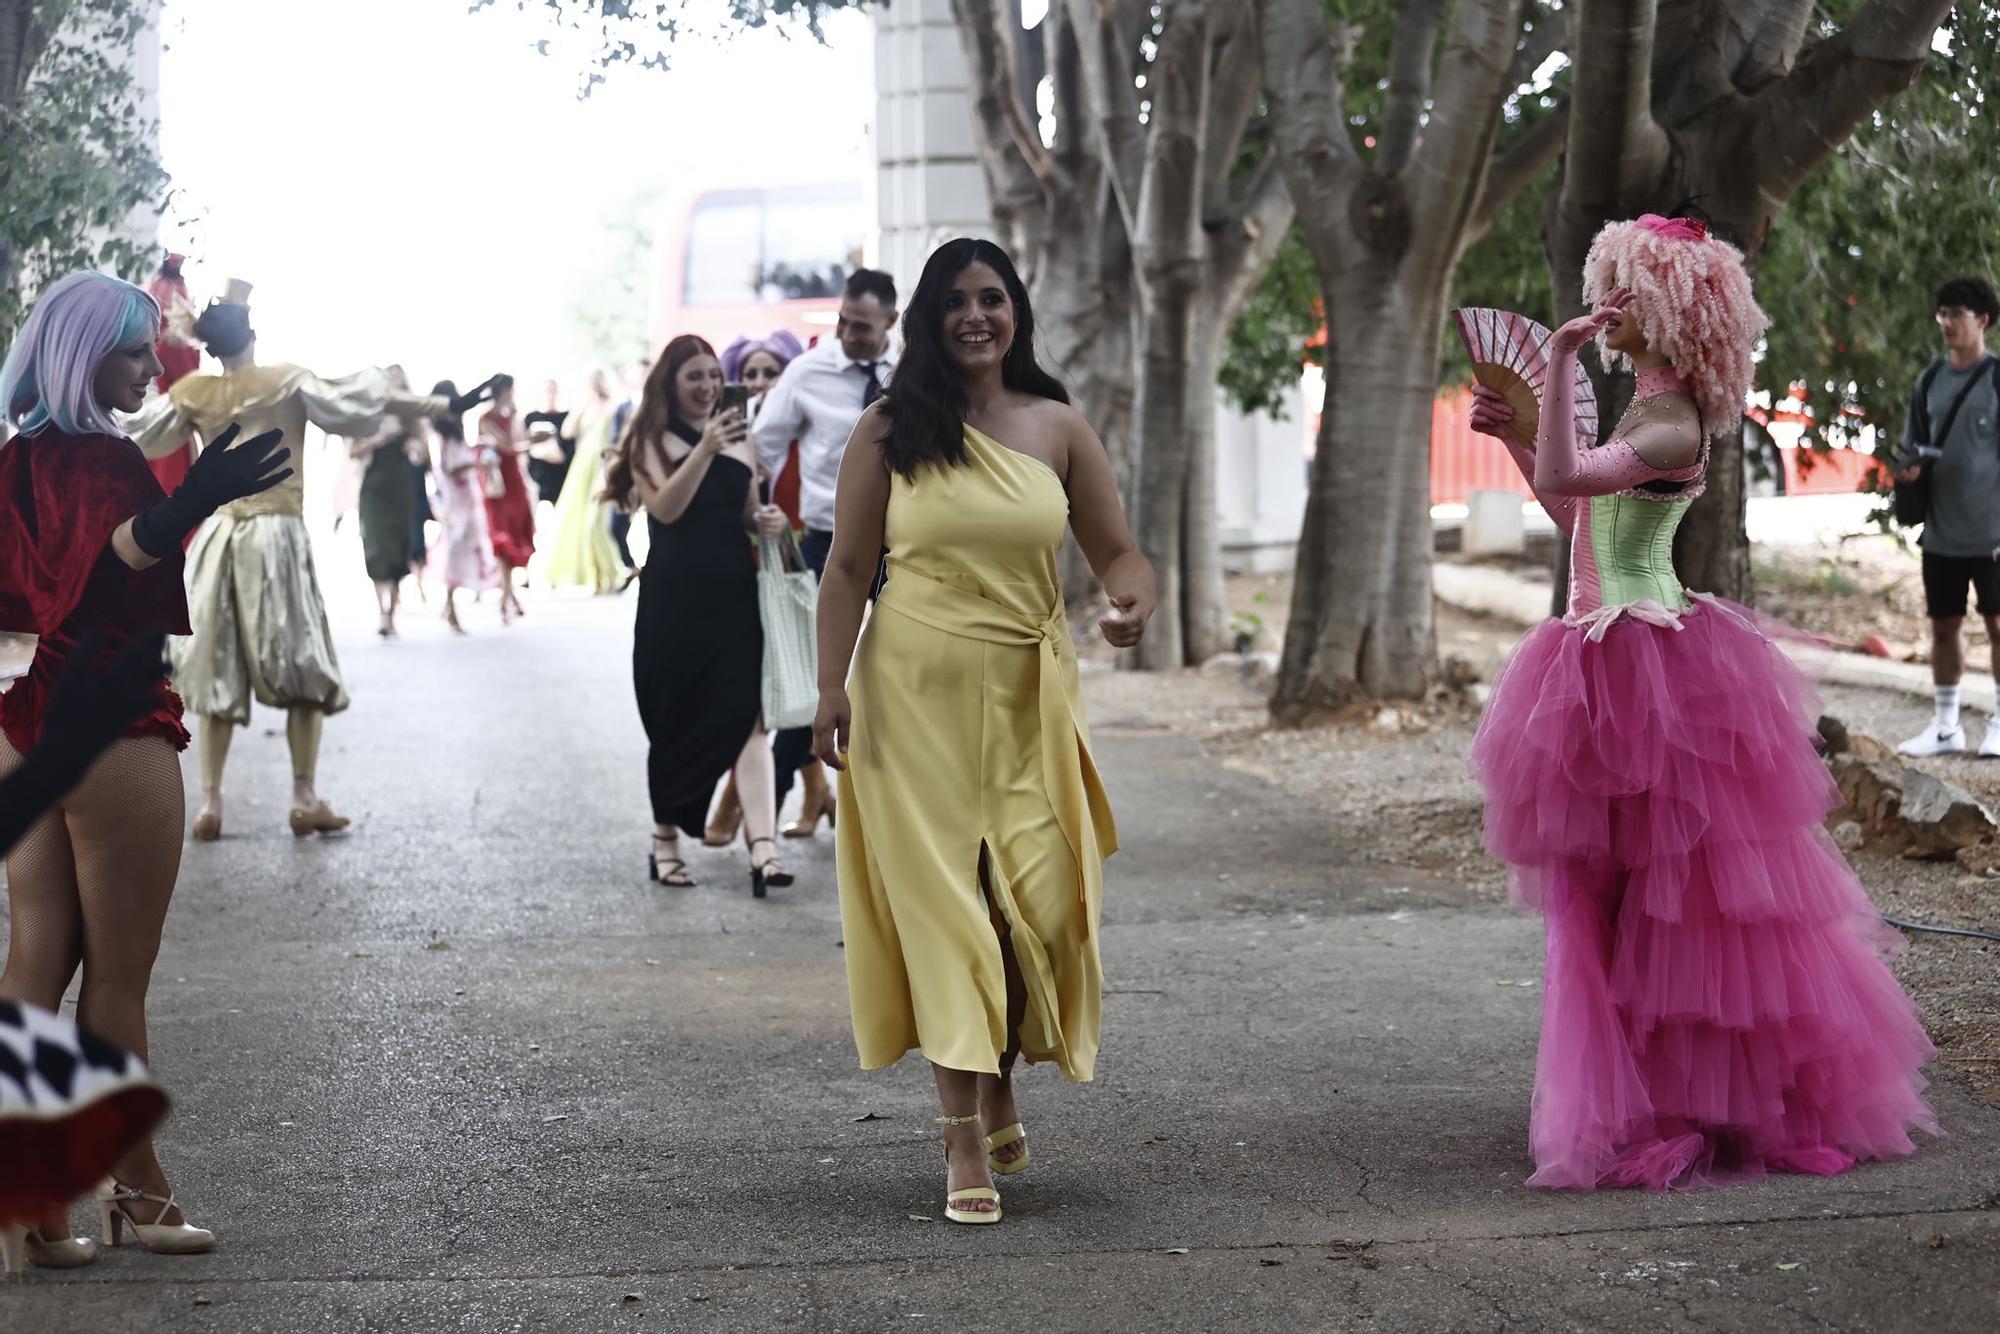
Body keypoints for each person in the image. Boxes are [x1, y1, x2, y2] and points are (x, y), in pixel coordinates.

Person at [1464, 212, 1937, 1191]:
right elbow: (1573, 510)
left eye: (1627, 291)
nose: (1609, 306)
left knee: (1673, 908)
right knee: (1607, 900)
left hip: (1647, 669)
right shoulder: (1645, 413)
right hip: (1601, 657)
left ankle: (1693, 1098)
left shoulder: (1674, 419)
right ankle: (1631, 1087)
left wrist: (1551, 364)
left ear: (1675, 315)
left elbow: (1569, 477)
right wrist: (1516, 429)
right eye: (1609, 284)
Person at [811, 238, 1154, 1225]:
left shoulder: (1056, 424)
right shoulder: (890, 427)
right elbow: (845, 571)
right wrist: (826, 688)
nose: (974, 314)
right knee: (945, 911)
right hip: (907, 699)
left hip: (1028, 700)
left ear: (1016, 313)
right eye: (954, 299)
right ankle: (961, 1133)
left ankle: (995, 1066)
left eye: (990, 298)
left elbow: (1119, 551)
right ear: (926, 315)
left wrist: (1130, 602)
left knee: (1038, 906)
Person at [0, 270, 297, 1260]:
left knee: (34, 963)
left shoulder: (15, 461)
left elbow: (28, 599)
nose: (150, 365)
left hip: (22, 720)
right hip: (110, 721)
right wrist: (190, 501)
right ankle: (138, 1190)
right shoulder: (106, 461)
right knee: (117, 981)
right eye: (133, 351)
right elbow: (103, 571)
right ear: (85, 354)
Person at [122, 279, 491, 840]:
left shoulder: (194, 392)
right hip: (277, 537)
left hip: (218, 535)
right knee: (301, 661)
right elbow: (364, 400)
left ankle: (211, 803)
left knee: (215, 663)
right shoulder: (287, 379)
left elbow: (131, 431)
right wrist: (442, 404)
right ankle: (303, 795)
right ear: (253, 335)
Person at [602, 335, 794, 893]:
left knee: (748, 717)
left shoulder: (741, 437)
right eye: (695, 377)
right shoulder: (647, 440)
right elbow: (665, 508)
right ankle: (665, 839)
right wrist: (706, 449)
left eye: (714, 375)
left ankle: (764, 847)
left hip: (734, 594)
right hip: (673, 601)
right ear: (671, 383)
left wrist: (766, 521)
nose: (708, 386)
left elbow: (744, 513)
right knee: (672, 721)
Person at [755, 270, 900, 828]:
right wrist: (755, 514)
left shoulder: (912, 372)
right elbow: (762, 449)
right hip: (827, 545)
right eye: (842, 320)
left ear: (890, 321)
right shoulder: (806, 372)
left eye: (862, 325)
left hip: (904, 546)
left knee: (896, 674)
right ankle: (766, 806)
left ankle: (880, 807)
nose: (848, 333)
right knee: (821, 675)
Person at [704, 329, 810, 848]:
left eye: (772, 373)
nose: (761, 382)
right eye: (750, 374)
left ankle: (735, 802)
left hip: (797, 564)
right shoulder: (729, 435)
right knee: (767, 685)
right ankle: (811, 797)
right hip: (739, 570)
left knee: (792, 680)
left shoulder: (806, 434)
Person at [1891, 276, 2000, 758]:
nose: (1947, 323)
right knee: (1943, 627)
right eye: (1942, 313)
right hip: (1942, 533)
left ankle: (1999, 722)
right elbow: (1913, 447)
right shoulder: (1929, 381)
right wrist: (1908, 473)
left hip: (1993, 533)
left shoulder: (1997, 378)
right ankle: (1945, 726)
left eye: (1956, 313)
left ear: (1983, 321)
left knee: (1998, 627)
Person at [351, 365, 427, 638]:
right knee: (375, 547)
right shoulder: (369, 415)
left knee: (398, 548)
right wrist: (379, 440)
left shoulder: (411, 419)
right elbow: (353, 450)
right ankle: (380, 609)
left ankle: (390, 613)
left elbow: (424, 452)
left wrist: (414, 448)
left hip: (401, 486)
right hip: (374, 487)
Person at [546, 368, 626, 594]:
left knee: (597, 522)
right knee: (578, 523)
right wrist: (581, 406)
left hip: (603, 465)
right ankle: (597, 578)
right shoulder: (586, 407)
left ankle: (612, 573)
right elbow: (567, 432)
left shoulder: (615, 405)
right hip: (582, 467)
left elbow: (620, 437)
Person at [430, 382, 500, 634]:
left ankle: (449, 608)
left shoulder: (452, 433)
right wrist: (477, 465)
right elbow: (449, 467)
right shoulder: (442, 435)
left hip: (465, 499)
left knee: (458, 551)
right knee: (454, 552)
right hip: (455, 501)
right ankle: (450, 609)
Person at [479, 374, 535, 622]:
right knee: (502, 537)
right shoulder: (486, 419)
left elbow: (519, 441)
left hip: (515, 480)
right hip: (498, 485)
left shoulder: (511, 417)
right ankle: (506, 599)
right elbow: (508, 446)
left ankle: (509, 597)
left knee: (515, 533)